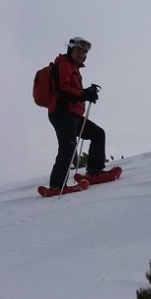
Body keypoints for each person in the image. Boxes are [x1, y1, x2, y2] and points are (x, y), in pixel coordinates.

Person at [47, 37, 107, 189]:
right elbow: (63, 89)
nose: (81, 54)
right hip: (62, 113)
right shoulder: (64, 65)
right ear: (71, 50)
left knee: (98, 134)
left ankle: (94, 170)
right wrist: (83, 94)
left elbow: (74, 91)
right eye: (78, 50)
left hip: (73, 114)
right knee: (68, 147)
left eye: (84, 52)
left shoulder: (74, 69)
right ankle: (57, 185)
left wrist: (86, 92)